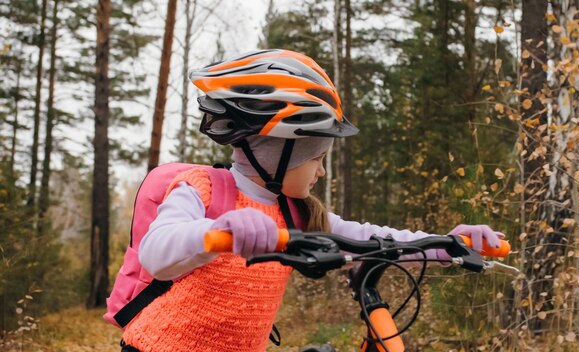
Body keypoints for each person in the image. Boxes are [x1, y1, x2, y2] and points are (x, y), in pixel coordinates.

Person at [120, 49, 504, 352]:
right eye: (316, 158)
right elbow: (157, 251)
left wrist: (445, 243)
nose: (321, 172)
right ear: (277, 151)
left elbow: (370, 237)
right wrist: (216, 231)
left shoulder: (295, 212)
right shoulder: (201, 188)